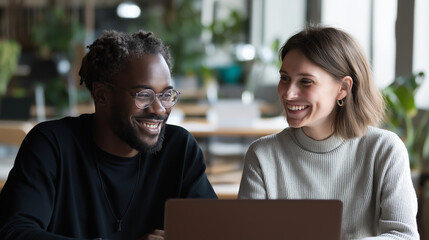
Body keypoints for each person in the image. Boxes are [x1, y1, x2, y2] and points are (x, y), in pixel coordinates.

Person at [0, 30, 217, 240]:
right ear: (102, 95)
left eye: (166, 95)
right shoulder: (51, 145)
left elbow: (215, 230)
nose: (159, 109)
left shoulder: (179, 148)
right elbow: (14, 232)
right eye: (144, 95)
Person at [238, 26, 420, 239]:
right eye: (285, 78)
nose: (288, 93)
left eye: (306, 81)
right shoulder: (262, 155)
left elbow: (403, 235)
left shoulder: (385, 150)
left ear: (342, 88)